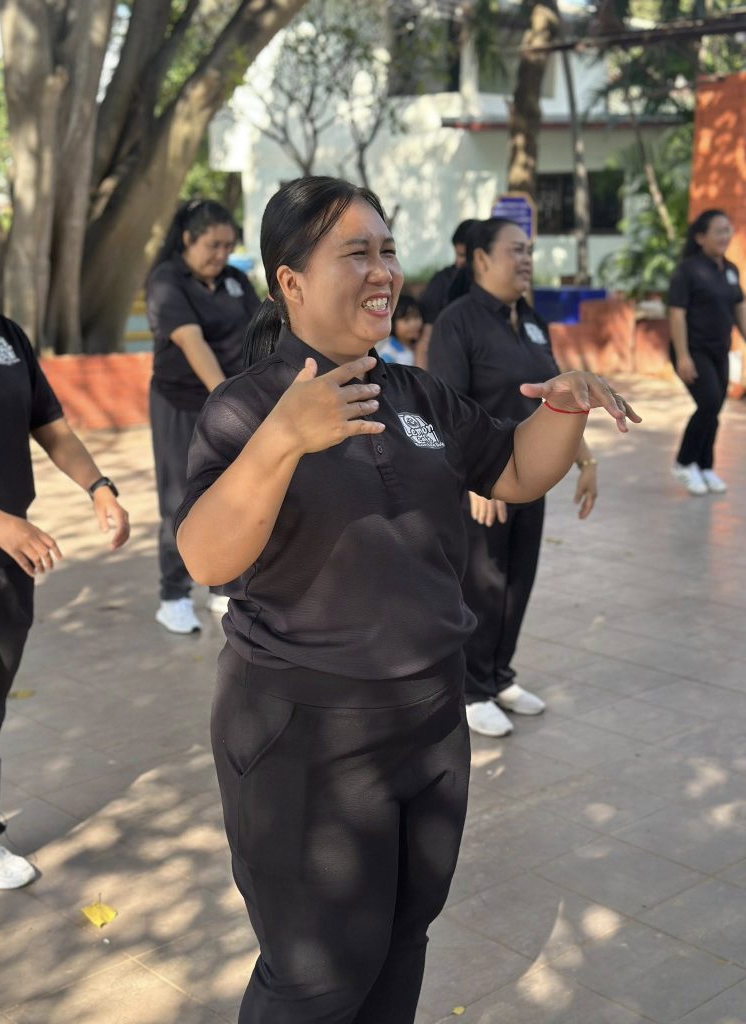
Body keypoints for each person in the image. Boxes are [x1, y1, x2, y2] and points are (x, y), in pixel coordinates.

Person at [174, 176, 638, 1024]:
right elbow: (205, 557)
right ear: (291, 282)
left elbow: (512, 468)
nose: (383, 270)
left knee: (400, 941)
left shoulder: (414, 395)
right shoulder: (245, 407)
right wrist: (282, 439)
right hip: (305, 732)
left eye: (387, 250)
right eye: (356, 252)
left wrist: (564, 409)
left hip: (428, 719)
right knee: (316, 977)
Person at [0, 213, 130, 890]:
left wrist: (99, 487)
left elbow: (51, 426)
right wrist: (0, 523)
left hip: (7, 561)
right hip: (0, 538)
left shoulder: (3, 335)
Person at [429, 217, 600, 737]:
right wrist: (473, 480)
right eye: (515, 251)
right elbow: (447, 408)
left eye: (529, 251)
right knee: (482, 584)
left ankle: (500, 676)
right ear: (482, 259)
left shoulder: (530, 320)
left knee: (517, 581)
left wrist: (585, 460)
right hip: (484, 480)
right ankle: (472, 690)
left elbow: (557, 400)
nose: (526, 260)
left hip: (533, 474)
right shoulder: (457, 322)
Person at [146, 199, 261, 634]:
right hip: (182, 403)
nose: (222, 255)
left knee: (231, 492)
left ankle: (222, 583)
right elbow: (193, 344)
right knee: (180, 496)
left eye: (229, 246)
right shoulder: (167, 280)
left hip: (231, 402)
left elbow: (261, 332)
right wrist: (229, 401)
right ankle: (173, 595)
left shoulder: (234, 281)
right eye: (213, 245)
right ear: (188, 239)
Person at [667, 209, 746, 496]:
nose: (725, 236)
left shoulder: (730, 270)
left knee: (715, 407)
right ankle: (683, 462)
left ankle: (705, 466)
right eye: (719, 231)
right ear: (701, 237)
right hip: (692, 350)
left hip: (719, 351)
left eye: (728, 230)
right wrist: (683, 356)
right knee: (709, 401)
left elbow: (739, 309)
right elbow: (676, 314)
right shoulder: (687, 271)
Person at [415, 218, 478, 368]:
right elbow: (426, 341)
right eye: (458, 254)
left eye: (464, 256)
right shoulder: (441, 282)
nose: (459, 262)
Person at [375, 293, 423, 365]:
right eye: (406, 320)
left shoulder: (419, 345)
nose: (414, 324)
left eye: (416, 317)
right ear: (392, 322)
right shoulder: (388, 355)